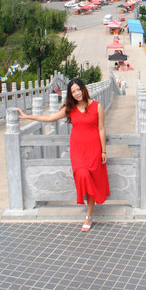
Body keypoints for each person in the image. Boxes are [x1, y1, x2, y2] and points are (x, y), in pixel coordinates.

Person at [17, 78, 109, 232]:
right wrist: (28, 117)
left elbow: (101, 129)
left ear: (83, 89)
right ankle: (89, 210)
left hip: (93, 149)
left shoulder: (97, 107)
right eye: (73, 91)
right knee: (82, 174)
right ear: (70, 94)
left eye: (78, 89)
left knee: (92, 177)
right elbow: (49, 118)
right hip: (78, 150)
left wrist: (104, 151)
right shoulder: (70, 109)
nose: (77, 93)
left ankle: (89, 214)